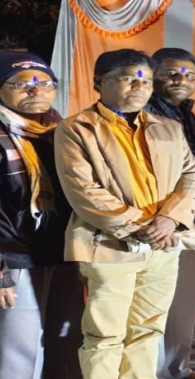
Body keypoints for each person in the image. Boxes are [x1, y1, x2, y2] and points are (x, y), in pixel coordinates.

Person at [55, 49, 195, 379]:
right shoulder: (77, 128)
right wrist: (141, 226)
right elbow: (83, 190)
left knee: (148, 330)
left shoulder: (168, 127)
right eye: (128, 79)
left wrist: (169, 219)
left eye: (146, 81)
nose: (139, 87)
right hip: (108, 245)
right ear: (99, 82)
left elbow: (191, 175)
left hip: (164, 245)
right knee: (104, 335)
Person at [0, 51, 84, 379]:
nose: (36, 91)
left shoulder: (62, 132)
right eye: (21, 84)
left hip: (63, 252)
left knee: (65, 342)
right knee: (19, 349)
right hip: (15, 258)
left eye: (46, 84)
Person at [147, 48, 195, 379]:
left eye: (189, 75)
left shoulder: (188, 114)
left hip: (192, 221)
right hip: (158, 222)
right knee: (154, 302)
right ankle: (151, 371)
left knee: (184, 299)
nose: (182, 80)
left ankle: (177, 368)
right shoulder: (142, 112)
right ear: (152, 74)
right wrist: (178, 214)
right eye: (172, 73)